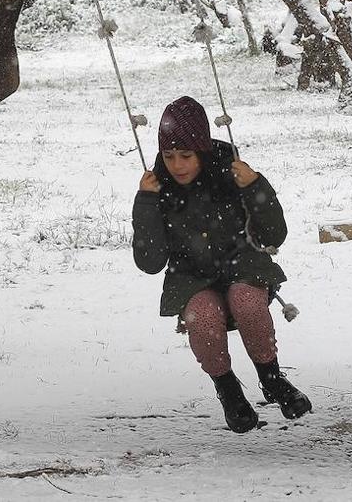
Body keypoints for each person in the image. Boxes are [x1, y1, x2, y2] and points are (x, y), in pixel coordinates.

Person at [131, 96, 312, 433]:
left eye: (186, 155)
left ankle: (272, 379)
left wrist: (255, 185)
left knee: (246, 301)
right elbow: (150, 262)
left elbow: (275, 234)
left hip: (242, 266)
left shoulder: (232, 174)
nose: (178, 165)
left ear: (201, 150)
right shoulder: (158, 189)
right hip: (191, 278)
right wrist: (145, 204)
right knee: (202, 317)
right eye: (169, 156)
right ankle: (228, 390)